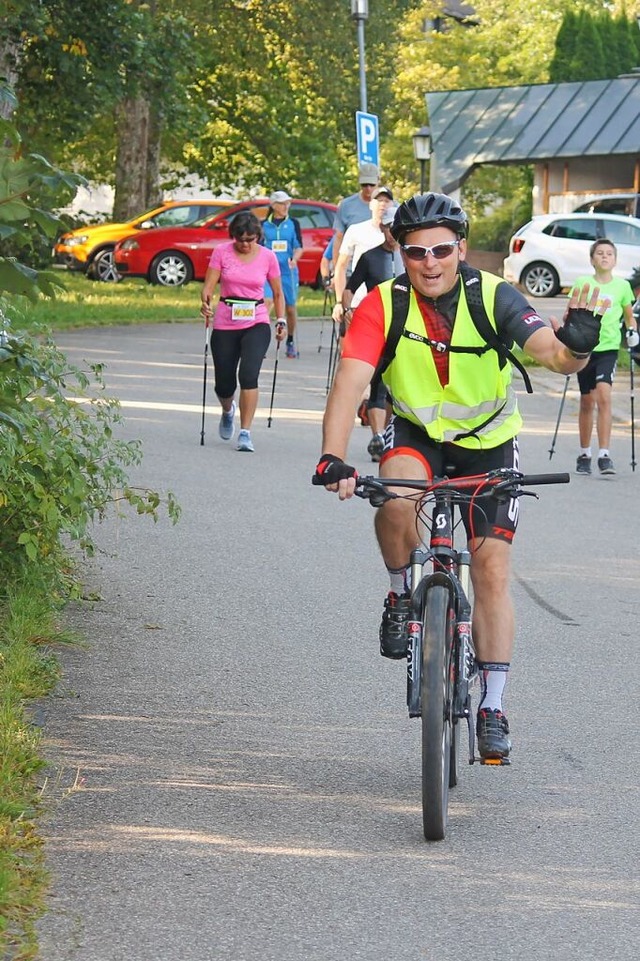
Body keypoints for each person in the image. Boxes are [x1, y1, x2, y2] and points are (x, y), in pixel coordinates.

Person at [313, 192, 608, 761]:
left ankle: (493, 703)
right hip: (416, 433)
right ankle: (401, 594)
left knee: (493, 568)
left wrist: (577, 346)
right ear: (399, 250)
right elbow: (350, 381)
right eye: (417, 251)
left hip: (488, 445)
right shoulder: (382, 303)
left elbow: (550, 353)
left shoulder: (494, 295)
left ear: (461, 249)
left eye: (442, 250)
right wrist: (332, 456)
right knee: (395, 499)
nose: (430, 262)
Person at [200, 212, 286, 453]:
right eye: (241, 239)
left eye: (251, 239)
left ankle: (245, 432)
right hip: (226, 320)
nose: (246, 244)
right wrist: (205, 302)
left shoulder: (268, 257)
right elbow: (208, 286)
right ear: (233, 237)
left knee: (249, 375)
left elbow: (278, 293)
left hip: (256, 320)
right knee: (224, 384)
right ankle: (228, 410)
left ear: (258, 236)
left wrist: (280, 320)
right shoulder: (221, 252)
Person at [339, 204, 403, 461]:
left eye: (395, 230)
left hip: (407, 330)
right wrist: (347, 309)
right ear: (382, 228)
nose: (391, 235)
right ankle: (378, 438)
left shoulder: (413, 257)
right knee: (377, 385)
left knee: (396, 387)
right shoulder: (370, 257)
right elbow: (350, 287)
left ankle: (390, 433)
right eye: (388, 229)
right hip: (379, 327)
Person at [572, 238, 638, 476]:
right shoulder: (583, 283)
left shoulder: (621, 287)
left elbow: (629, 316)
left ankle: (604, 455)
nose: (604, 257)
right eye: (599, 253)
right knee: (587, 401)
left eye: (609, 253)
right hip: (584, 351)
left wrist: (632, 332)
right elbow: (572, 311)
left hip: (608, 350)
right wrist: (571, 334)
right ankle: (584, 453)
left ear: (615, 260)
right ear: (592, 259)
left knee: (604, 396)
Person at [332, 185, 395, 308]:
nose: (383, 204)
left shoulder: (398, 236)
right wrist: (340, 302)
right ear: (371, 204)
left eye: (386, 201)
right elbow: (341, 266)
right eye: (379, 200)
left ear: (392, 204)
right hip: (357, 301)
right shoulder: (356, 230)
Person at [262, 190, 304, 359]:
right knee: (266, 303)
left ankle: (290, 341)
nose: (286, 206)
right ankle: (261, 342)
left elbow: (299, 246)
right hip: (268, 271)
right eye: (282, 203)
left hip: (288, 272)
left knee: (290, 308)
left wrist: (295, 258)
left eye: (288, 203)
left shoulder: (293, 223)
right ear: (273, 206)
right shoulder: (264, 224)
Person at [331, 162, 380, 272]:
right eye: (364, 184)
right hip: (351, 269)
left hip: (380, 269)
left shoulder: (389, 205)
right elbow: (338, 238)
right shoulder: (346, 205)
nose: (368, 188)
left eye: (371, 184)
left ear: (378, 181)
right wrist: (336, 269)